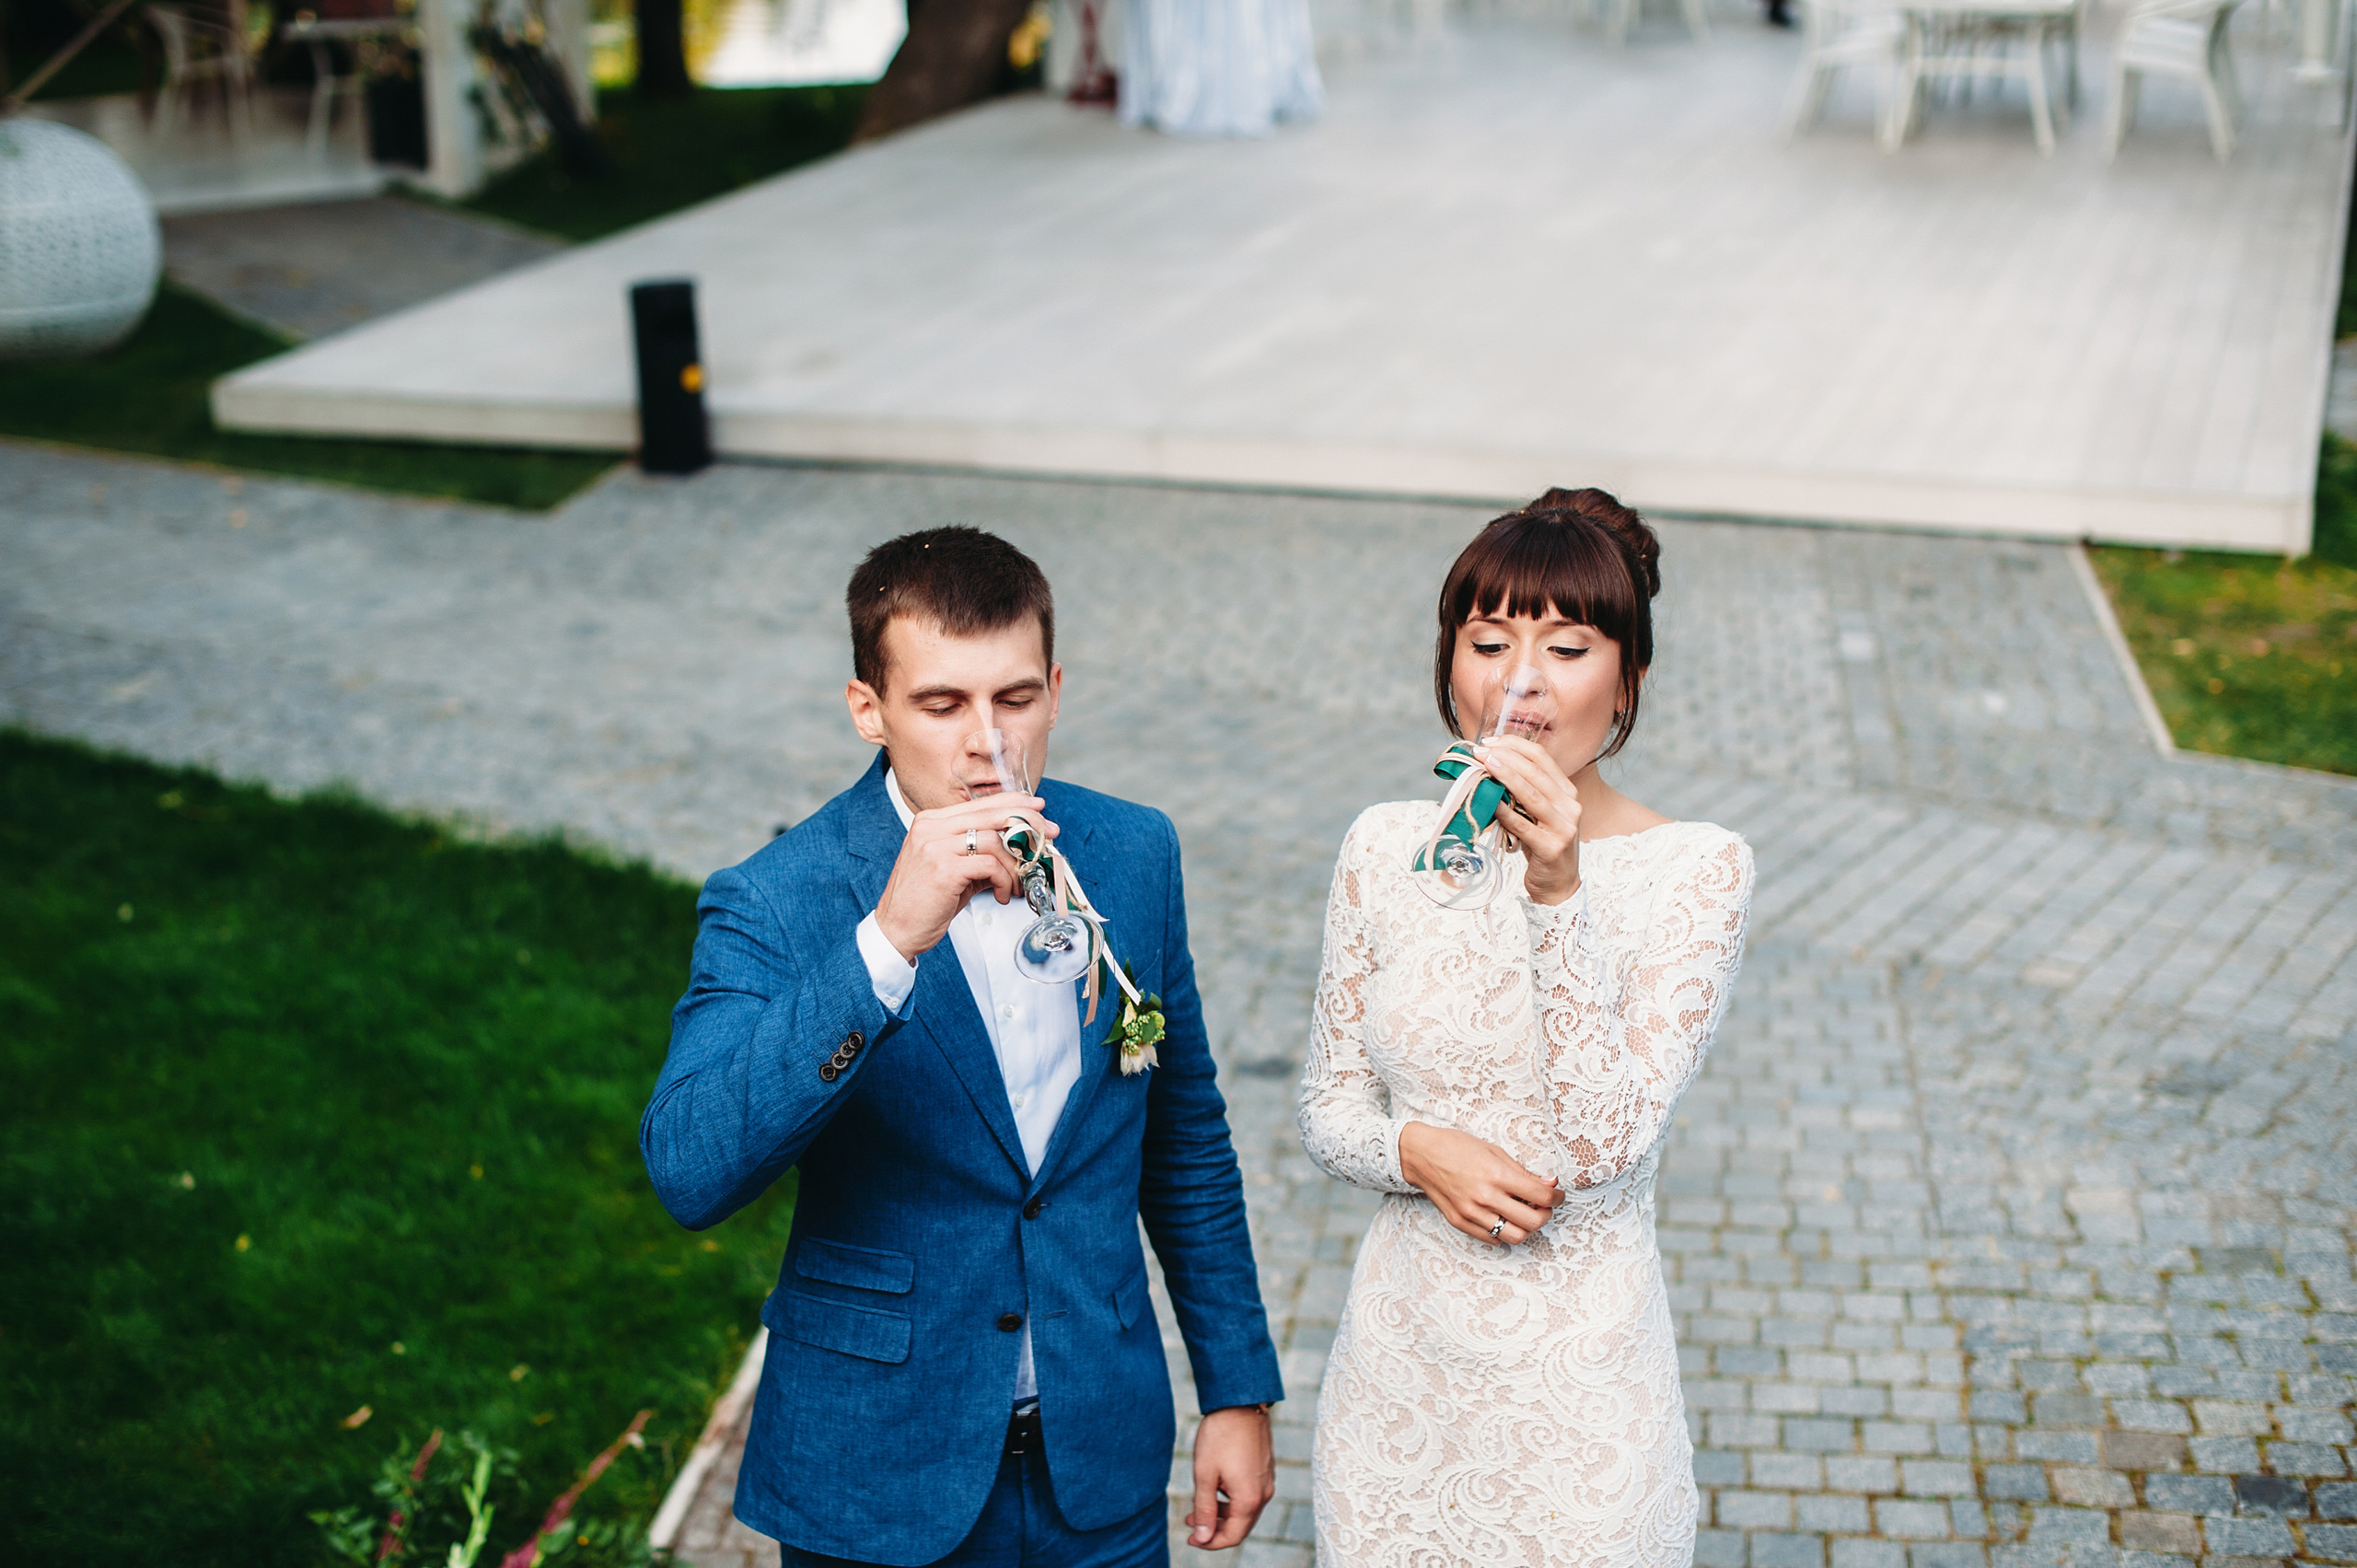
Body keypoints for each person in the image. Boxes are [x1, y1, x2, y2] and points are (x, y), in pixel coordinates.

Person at [642, 527, 1283, 1567]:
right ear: (869, 709)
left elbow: (1184, 1135)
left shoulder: (1130, 850)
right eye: (941, 703)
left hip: (1099, 1465)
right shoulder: (775, 898)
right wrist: (886, 942)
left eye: (1015, 697)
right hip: (881, 1483)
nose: (987, 741)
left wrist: (1236, 1387)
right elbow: (688, 1168)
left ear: (1056, 690)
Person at [1298, 487, 1755, 1567]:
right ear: (1451, 660)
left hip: (1581, 1396)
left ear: (1626, 677)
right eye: (1490, 639)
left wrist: (1557, 891)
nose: (1522, 679)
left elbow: (1605, 1146)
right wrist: (1413, 1148)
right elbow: (1328, 1105)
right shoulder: (1382, 846)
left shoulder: (1699, 868)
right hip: (1399, 1383)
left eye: (1567, 645)